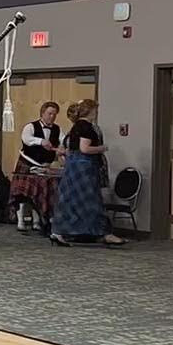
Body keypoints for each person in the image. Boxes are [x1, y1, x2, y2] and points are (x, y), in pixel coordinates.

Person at [51, 100, 126, 246]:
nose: (96, 113)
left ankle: (59, 231)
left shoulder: (75, 127)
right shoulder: (87, 128)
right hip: (84, 167)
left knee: (70, 200)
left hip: (72, 166)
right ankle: (103, 233)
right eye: (95, 110)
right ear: (90, 111)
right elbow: (84, 148)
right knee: (91, 200)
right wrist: (102, 148)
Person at [11, 101, 63, 233]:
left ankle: (37, 221)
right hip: (28, 163)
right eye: (49, 113)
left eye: (54, 114)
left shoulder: (57, 129)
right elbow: (26, 139)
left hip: (44, 166)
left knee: (39, 193)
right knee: (22, 194)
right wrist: (40, 141)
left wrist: (62, 150)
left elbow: (62, 141)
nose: (52, 116)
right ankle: (21, 221)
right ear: (42, 113)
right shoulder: (30, 126)